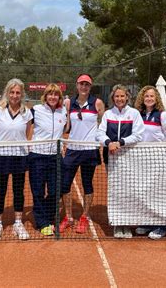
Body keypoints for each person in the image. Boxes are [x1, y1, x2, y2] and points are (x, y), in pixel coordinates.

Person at [96, 84, 144, 238]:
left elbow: (138, 135)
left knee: (129, 189)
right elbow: (100, 133)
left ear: (127, 97)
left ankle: (127, 223)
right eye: (117, 96)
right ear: (113, 98)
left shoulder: (134, 113)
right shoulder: (108, 114)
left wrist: (120, 142)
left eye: (122, 96)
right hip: (111, 156)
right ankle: (117, 223)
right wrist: (109, 142)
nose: (119, 99)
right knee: (115, 189)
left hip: (129, 157)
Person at [59, 74, 105, 234]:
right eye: (81, 84)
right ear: (77, 85)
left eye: (87, 84)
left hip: (89, 150)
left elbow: (103, 126)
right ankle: (69, 217)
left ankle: (84, 216)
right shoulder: (68, 103)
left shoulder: (97, 103)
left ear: (90, 86)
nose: (84, 87)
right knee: (65, 184)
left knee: (87, 184)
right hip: (72, 149)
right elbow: (67, 127)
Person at [0, 78, 33, 242]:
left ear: (21, 94)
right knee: (0, 190)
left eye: (18, 92)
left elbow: (28, 132)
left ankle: (18, 222)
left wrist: (18, 146)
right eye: (12, 92)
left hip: (20, 156)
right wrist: (3, 146)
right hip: (2, 156)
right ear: (7, 93)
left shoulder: (26, 112)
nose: (15, 95)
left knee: (18, 190)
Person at [134, 85, 166, 240]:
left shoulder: (162, 115)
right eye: (146, 96)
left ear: (156, 98)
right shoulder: (140, 114)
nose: (149, 99)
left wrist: (157, 151)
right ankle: (149, 223)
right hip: (142, 160)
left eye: (152, 96)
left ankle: (162, 226)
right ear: (142, 99)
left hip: (158, 160)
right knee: (145, 191)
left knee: (158, 192)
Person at [29, 84, 68, 236]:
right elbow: (24, 127)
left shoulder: (63, 111)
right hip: (37, 156)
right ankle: (42, 222)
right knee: (38, 191)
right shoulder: (36, 110)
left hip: (55, 157)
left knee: (55, 191)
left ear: (59, 97)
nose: (53, 97)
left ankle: (48, 217)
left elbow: (65, 129)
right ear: (45, 96)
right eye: (50, 94)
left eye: (56, 94)